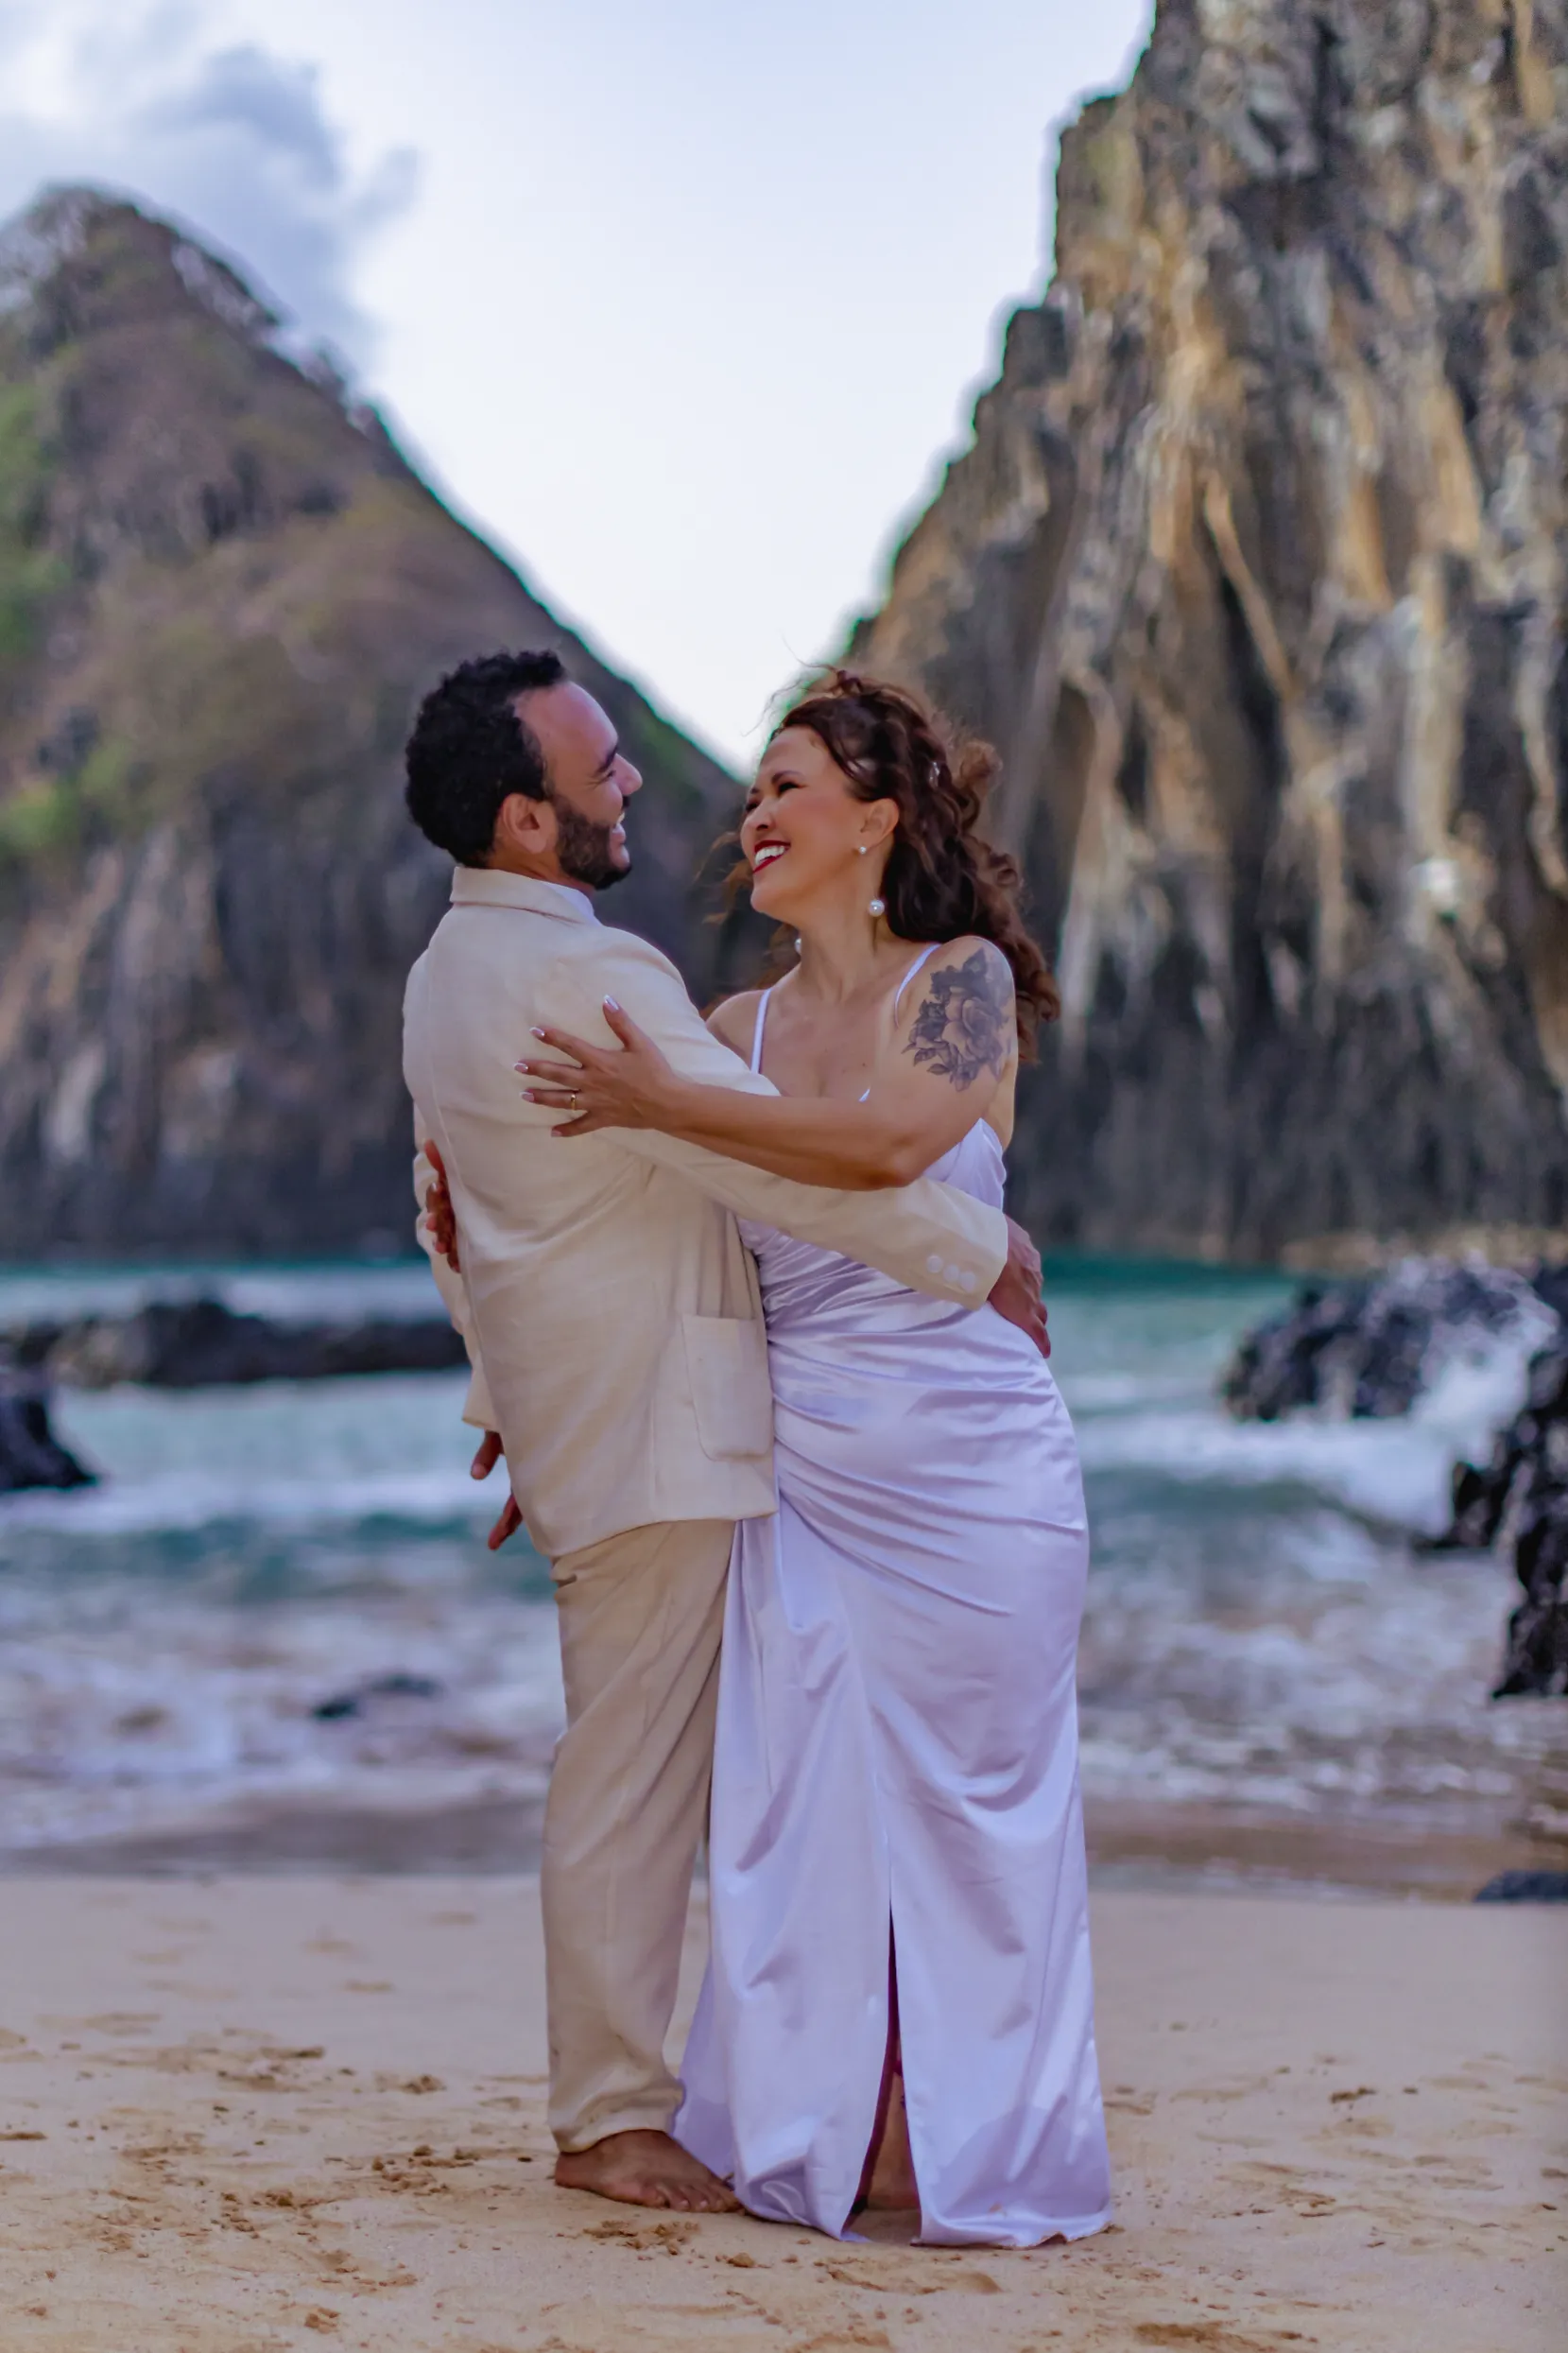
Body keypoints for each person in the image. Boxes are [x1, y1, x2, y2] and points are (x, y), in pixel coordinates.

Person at [400, 649, 1049, 2216]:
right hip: (695, 1439)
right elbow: (753, 1169)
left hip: (827, 1447)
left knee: (816, 1794)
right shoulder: (612, 985)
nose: (638, 783)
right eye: (600, 769)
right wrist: (983, 1254)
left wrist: (513, 1403)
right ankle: (615, 2119)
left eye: (781, 785)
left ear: (878, 820)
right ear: (528, 820)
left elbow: (458, 1219)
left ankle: (863, 2115)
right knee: (662, 1790)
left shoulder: (441, 980)